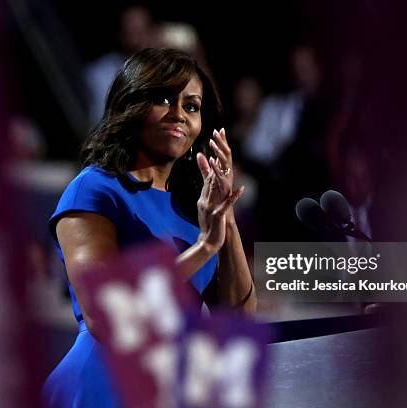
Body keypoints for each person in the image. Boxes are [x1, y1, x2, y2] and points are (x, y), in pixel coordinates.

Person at [42, 48, 256, 407]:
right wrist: (203, 247)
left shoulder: (193, 208)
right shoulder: (94, 189)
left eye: (191, 106)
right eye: (162, 99)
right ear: (131, 106)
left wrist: (226, 219)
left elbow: (237, 318)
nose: (178, 115)